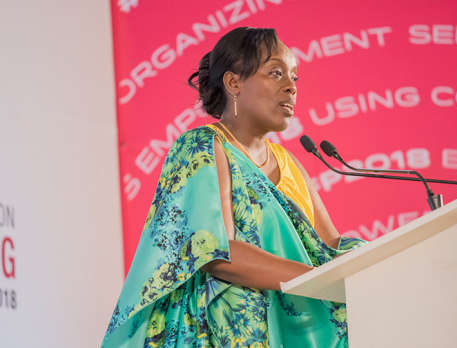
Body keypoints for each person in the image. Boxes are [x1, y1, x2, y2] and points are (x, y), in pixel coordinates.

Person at [101, 27, 366, 348]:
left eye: (295, 77)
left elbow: (330, 247)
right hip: (218, 332)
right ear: (234, 83)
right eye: (276, 72)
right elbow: (216, 251)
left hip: (289, 331)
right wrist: (319, 281)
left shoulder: (291, 163)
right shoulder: (201, 146)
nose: (291, 87)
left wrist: (371, 265)